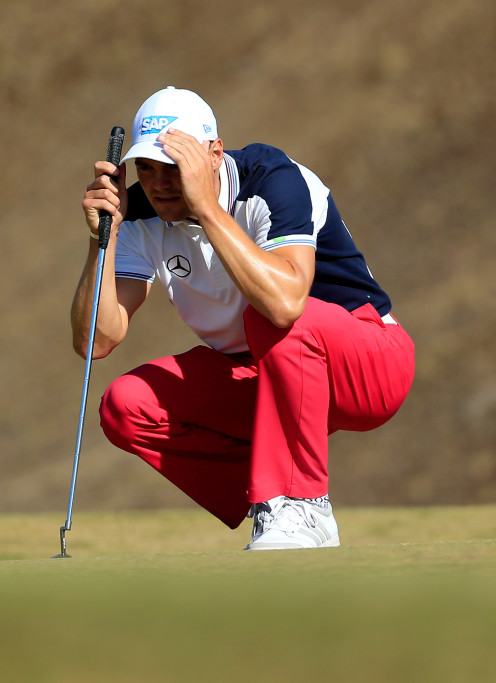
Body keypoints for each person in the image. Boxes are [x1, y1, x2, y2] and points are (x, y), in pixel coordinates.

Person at [73, 86, 415, 550]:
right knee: (127, 406)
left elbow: (285, 305)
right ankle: (273, 502)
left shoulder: (274, 178)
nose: (159, 183)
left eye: (175, 166)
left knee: (266, 318)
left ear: (214, 154)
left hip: (368, 365)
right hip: (267, 380)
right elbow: (96, 340)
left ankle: (300, 501)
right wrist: (104, 240)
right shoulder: (137, 216)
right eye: (146, 168)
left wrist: (207, 209)